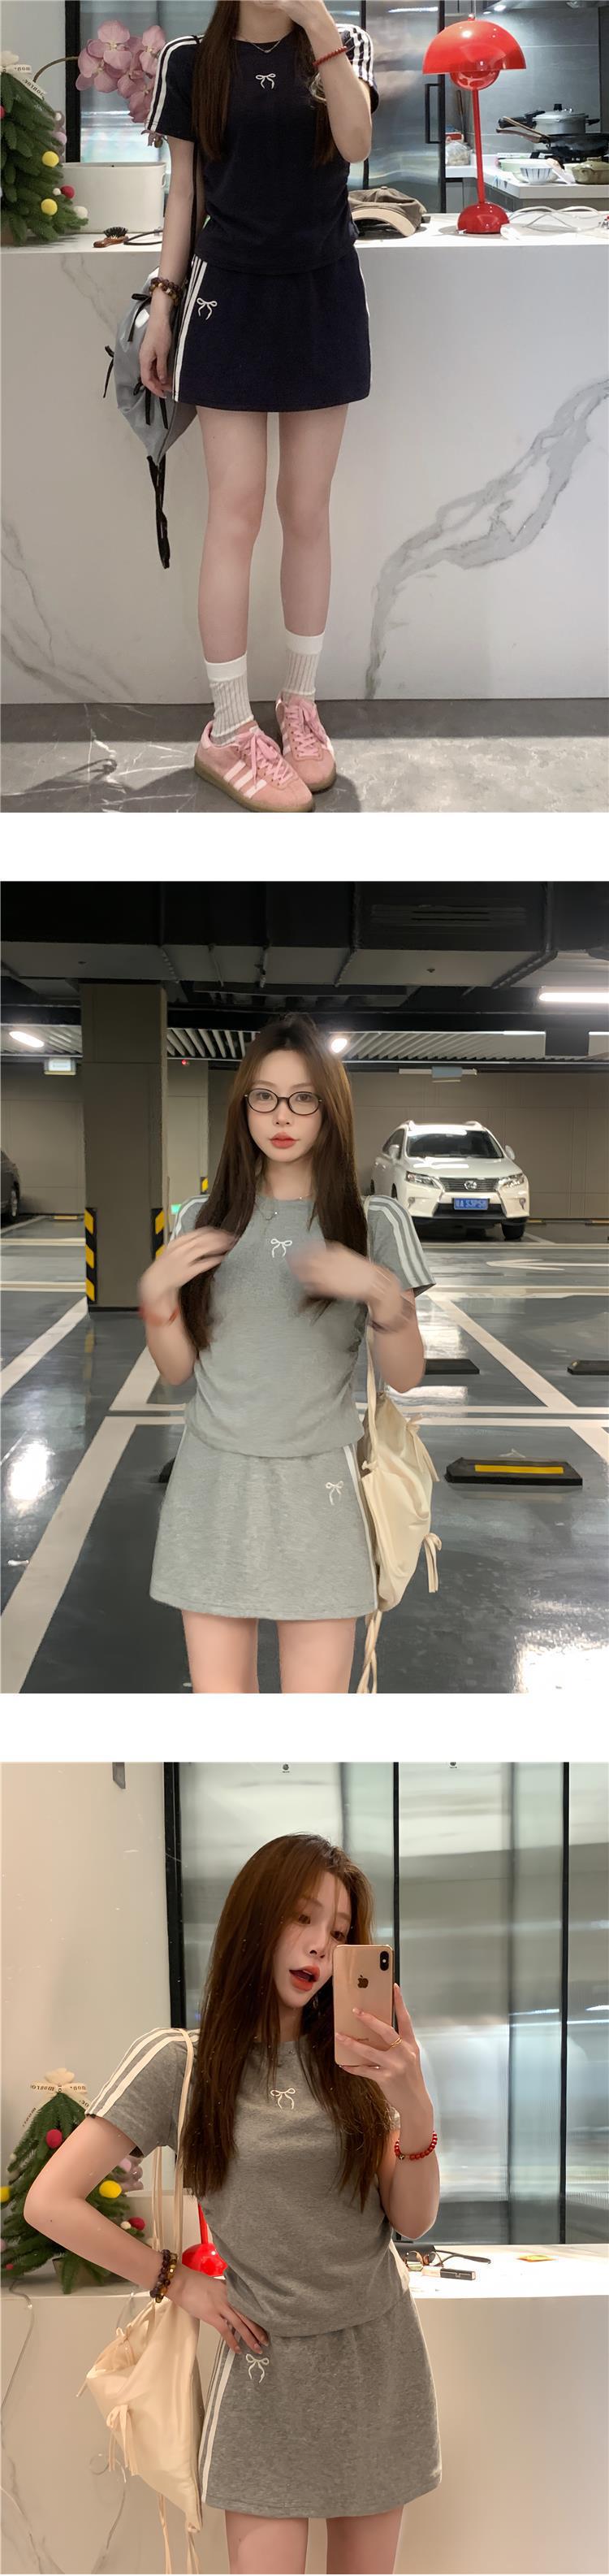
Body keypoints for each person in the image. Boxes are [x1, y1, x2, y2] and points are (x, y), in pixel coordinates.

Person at [25, 1833, 441, 2574]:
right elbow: (50, 2202)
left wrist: (414, 2104)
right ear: (256, 1917)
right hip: (264, 2370)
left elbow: (412, 2222)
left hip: (377, 2361)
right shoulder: (180, 2062)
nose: (320, 1946)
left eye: (340, 1931)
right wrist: (176, 2279)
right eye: (302, 1917)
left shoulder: (357, 2064)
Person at [137, 1014, 434, 1694]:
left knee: (314, 1720)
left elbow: (406, 1375)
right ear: (243, 1107)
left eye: (304, 1098)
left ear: (331, 1110)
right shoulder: (201, 1220)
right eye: (265, 1096)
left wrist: (382, 1295)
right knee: (223, 1712)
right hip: (213, 1481)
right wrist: (156, 1302)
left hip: (318, 1487)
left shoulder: (373, 1221)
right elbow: (177, 1371)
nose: (282, 1115)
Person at [139, 2, 379, 813]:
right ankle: (231, 726)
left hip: (323, 290)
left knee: (307, 507)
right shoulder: (190, 59)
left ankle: (298, 704)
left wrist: (321, 29)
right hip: (227, 298)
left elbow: (357, 144)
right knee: (235, 510)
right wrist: (163, 304)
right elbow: (184, 192)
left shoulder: (340, 44)